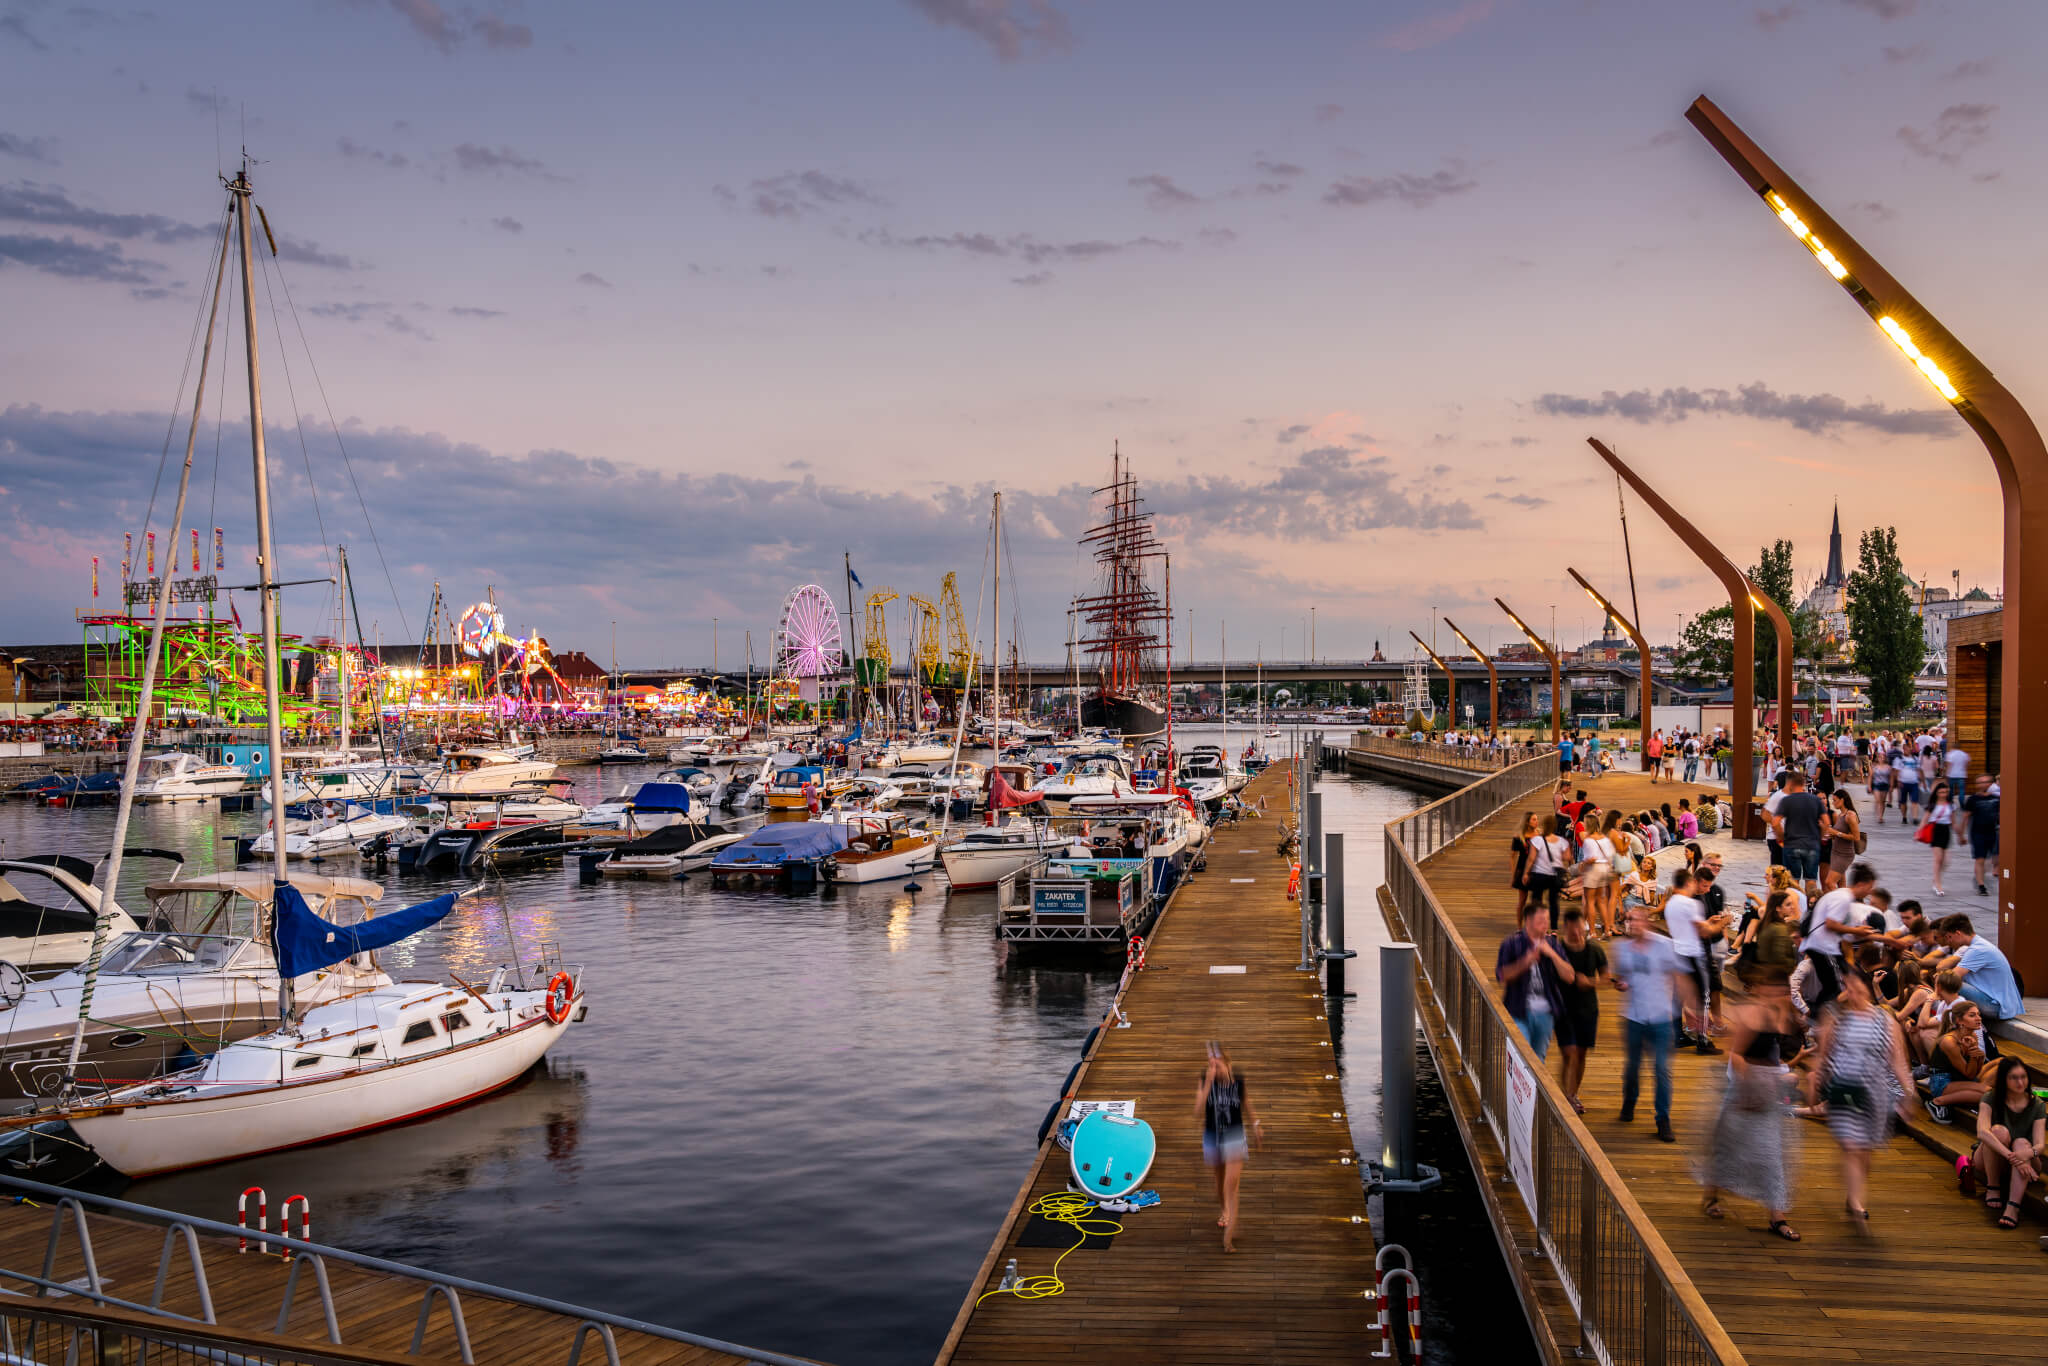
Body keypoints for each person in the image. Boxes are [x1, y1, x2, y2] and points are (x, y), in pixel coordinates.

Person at [1807, 966, 1916, 1230]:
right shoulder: (1836, 1017)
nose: (1851, 993)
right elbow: (1823, 1054)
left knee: (1864, 1150)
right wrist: (1815, 1081)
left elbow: (1897, 1060)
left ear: (1867, 988)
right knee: (1851, 1145)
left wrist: (1909, 1092)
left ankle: (1852, 1192)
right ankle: (1857, 1202)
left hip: (1874, 1092)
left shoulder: (1885, 1020)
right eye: (1847, 987)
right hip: (1844, 1087)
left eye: (1856, 987)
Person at [1698, 979, 1800, 1240]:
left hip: (1768, 1094)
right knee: (1728, 1147)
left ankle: (1777, 1217)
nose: (1781, 994)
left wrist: (1781, 1076)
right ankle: (1711, 1195)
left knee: (1772, 1154)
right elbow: (1736, 1054)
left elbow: (1776, 1055)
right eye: (1776, 989)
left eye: (1784, 990)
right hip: (1744, 1092)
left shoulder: (1783, 1015)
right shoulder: (1751, 1015)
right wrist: (1750, 1084)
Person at [1610, 904, 1684, 1142]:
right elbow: (1622, 977)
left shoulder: (1664, 946)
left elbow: (1679, 975)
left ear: (1647, 922)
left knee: (1661, 1068)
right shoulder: (1621, 948)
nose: (1633, 924)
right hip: (1634, 1016)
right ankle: (1629, 1101)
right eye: (1629, 920)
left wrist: (1689, 1007)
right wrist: (1621, 984)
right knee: (1633, 1067)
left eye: (1637, 919)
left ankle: (1663, 1119)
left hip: (1661, 1016)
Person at [1196, 1043, 1260, 1252]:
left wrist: (1256, 1125)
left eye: (1217, 1065)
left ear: (1227, 1062)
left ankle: (1228, 1236)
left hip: (1234, 1135)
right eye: (1210, 1065)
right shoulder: (1206, 1079)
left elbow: (1247, 1103)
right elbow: (1197, 1111)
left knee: (1231, 1185)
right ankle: (1225, 1210)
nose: (1214, 1069)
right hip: (1212, 1135)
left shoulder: (1238, 1081)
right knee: (1219, 1180)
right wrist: (1208, 1082)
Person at [1971, 1057, 2045, 1230]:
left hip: (2026, 1160)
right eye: (2013, 1077)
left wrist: (2026, 1154)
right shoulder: (1990, 1097)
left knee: (2021, 1143)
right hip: (1992, 1158)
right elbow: (1982, 1132)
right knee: (1997, 1131)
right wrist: (2012, 1157)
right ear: (2004, 1079)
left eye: (2023, 1077)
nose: (2020, 1082)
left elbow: (2040, 1145)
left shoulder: (2037, 1104)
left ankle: (2012, 1207)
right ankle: (1993, 1186)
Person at [1496, 903, 1575, 1060]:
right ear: (1528, 921)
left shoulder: (1553, 944)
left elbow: (1570, 976)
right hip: (1518, 1009)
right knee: (1521, 1055)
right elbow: (1502, 975)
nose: (1545, 924)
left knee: (1538, 1059)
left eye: (1547, 920)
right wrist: (1526, 961)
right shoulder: (1511, 943)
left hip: (1545, 1013)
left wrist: (1552, 954)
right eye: (1541, 921)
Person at [1663, 868, 1726, 1053]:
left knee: (1677, 997)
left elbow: (1691, 926)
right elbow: (1704, 932)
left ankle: (1678, 1035)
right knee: (1704, 998)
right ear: (1689, 882)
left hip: (1678, 952)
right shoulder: (1691, 904)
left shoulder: (1670, 903)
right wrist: (1723, 923)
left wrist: (1708, 922)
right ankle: (1703, 1041)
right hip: (1694, 955)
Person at [1801, 862, 1877, 1014]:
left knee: (1835, 985)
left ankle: (1818, 1016)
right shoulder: (1844, 898)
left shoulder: (1844, 895)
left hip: (1825, 946)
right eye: (1869, 887)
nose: (1870, 892)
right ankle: (1816, 1017)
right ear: (1861, 884)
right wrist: (1857, 930)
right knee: (1834, 987)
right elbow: (1831, 924)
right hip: (1822, 947)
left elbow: (1841, 930)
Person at [1554, 907, 1606, 1115]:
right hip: (1563, 1009)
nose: (1577, 932)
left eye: (1580, 927)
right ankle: (1565, 1094)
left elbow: (1606, 978)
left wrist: (1590, 982)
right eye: (1572, 928)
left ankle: (1572, 1094)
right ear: (1565, 927)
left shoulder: (1594, 950)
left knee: (1581, 1053)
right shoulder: (1558, 950)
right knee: (1569, 1053)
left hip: (1588, 1009)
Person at [1933, 914, 2023, 1022]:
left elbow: (1951, 978)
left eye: (1949, 937)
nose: (1948, 942)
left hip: (1997, 1007)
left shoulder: (1978, 949)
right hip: (1996, 1002)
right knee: (1945, 980)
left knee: (1948, 983)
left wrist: (1934, 994)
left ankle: (1941, 1018)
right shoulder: (1978, 945)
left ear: (1958, 933)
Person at [1924, 1000, 1996, 1121]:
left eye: (1978, 1014)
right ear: (1959, 1021)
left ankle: (1974, 1093)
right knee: (1989, 1093)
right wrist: (1973, 1056)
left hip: (1959, 1078)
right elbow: (1969, 1074)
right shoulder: (1949, 1041)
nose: (1978, 1018)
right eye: (1972, 1015)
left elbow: (1974, 1072)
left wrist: (1979, 1057)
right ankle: (1937, 1102)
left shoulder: (1972, 1036)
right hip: (1942, 1083)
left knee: (2001, 1062)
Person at [1771, 771, 1827, 900]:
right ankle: (1811, 904)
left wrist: (1781, 837)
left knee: (1793, 880)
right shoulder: (1815, 800)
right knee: (1811, 880)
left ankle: (1795, 904)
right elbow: (1826, 822)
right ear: (1803, 783)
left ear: (1790, 784)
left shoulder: (1787, 800)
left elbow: (1775, 822)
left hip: (1792, 844)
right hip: (1812, 845)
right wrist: (1819, 837)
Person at [1961, 775, 1999, 898]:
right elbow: (1966, 817)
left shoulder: (1996, 799)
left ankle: (1979, 876)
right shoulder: (1973, 799)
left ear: (1990, 783)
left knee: (1994, 860)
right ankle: (1981, 885)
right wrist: (1961, 834)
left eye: (1985, 782)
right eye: (1980, 782)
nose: (1983, 784)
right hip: (1978, 833)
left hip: (1993, 832)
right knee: (1980, 859)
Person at [1821, 789, 1861, 893]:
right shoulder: (1840, 815)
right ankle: (1846, 899)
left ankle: (1845, 899)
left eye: (1835, 800)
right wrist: (1832, 835)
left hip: (1844, 854)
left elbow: (1856, 837)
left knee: (1829, 882)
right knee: (1841, 884)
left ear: (1842, 800)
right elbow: (1839, 834)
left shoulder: (1850, 815)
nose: (1833, 803)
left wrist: (1836, 833)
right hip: (1835, 852)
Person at [1510, 811, 1538, 915]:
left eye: (1537, 819)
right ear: (1527, 822)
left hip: (1537, 870)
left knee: (1536, 901)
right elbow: (1512, 857)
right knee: (1522, 900)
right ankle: (1520, 924)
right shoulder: (1519, 837)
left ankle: (1534, 923)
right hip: (1522, 869)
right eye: (1534, 819)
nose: (1536, 822)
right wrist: (1513, 875)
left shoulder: (1539, 835)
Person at [1868, 749, 1893, 825]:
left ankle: (1881, 817)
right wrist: (1869, 786)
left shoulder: (1888, 767)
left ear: (1885, 758)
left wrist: (1891, 786)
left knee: (1882, 802)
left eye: (1883, 757)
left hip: (1885, 785)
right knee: (1878, 800)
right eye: (1880, 757)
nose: (1881, 758)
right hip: (1876, 785)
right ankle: (1878, 814)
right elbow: (1870, 777)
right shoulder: (1874, 767)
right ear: (1877, 758)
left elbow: (1891, 777)